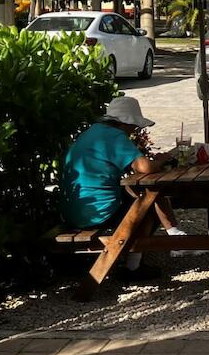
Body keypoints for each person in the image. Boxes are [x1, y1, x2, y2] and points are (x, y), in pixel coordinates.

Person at [59, 96, 192, 276]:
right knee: (147, 206)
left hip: (73, 211)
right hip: (98, 212)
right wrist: (163, 160)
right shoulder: (114, 136)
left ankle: (173, 235)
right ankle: (133, 267)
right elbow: (144, 167)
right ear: (125, 123)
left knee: (138, 194)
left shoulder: (93, 132)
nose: (135, 130)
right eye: (134, 125)